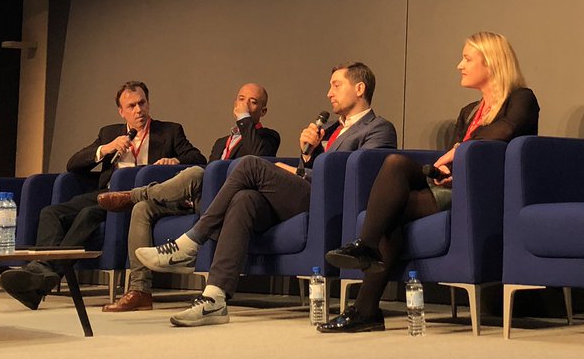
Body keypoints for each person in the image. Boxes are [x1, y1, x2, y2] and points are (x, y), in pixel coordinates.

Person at [135, 62, 397, 326]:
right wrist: (308, 155)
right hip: (308, 196)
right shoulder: (327, 131)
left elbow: (360, 179)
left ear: (360, 88)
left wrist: (299, 173)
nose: (329, 93)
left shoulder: (378, 128)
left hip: (332, 203)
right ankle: (215, 298)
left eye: (336, 85)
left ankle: (191, 242)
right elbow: (318, 167)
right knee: (244, 199)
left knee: (250, 163)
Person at [319, 32, 538, 333]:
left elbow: (507, 130)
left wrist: (461, 150)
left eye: (467, 58)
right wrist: (450, 165)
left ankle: (366, 294)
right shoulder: (470, 111)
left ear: (491, 63)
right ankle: (365, 295)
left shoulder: (521, 98)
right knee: (394, 170)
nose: (459, 65)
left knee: (390, 210)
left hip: (484, 193)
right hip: (453, 184)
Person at [0, 81, 206, 310]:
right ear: (121, 111)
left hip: (139, 196)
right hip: (108, 191)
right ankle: (42, 274)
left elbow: (198, 160)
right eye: (132, 106)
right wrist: (104, 149)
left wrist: (175, 161)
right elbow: (73, 164)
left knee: (89, 214)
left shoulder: (169, 131)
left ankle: (39, 276)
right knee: (51, 212)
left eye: (142, 103)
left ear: (148, 103)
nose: (139, 110)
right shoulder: (109, 133)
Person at [96, 83, 278, 313]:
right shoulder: (222, 142)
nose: (245, 104)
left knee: (196, 172)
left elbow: (257, 159)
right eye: (241, 99)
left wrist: (244, 120)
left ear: (262, 111)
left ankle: (133, 194)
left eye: (252, 101)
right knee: (142, 209)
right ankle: (140, 290)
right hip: (201, 201)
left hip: (232, 204)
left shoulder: (268, 137)